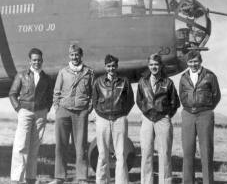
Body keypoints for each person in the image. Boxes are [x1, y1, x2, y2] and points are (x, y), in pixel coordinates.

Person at [49, 44, 94, 184]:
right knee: (61, 145)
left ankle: (81, 177)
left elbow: (92, 94)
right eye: (72, 55)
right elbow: (56, 92)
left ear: (81, 55)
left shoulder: (89, 72)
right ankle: (60, 177)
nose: (74, 57)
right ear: (69, 56)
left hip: (81, 112)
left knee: (80, 146)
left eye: (77, 54)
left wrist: (88, 109)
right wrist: (57, 107)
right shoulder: (63, 72)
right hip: (63, 111)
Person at [9, 48, 53, 184]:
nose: (37, 62)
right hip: (25, 112)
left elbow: (50, 97)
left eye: (39, 60)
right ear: (30, 61)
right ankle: (17, 179)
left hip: (40, 114)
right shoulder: (21, 75)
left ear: (42, 60)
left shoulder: (46, 78)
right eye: (34, 60)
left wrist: (46, 110)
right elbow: (12, 94)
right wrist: (19, 109)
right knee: (21, 145)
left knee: (34, 147)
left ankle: (30, 179)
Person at [136, 53, 180, 184]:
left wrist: (166, 115)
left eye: (156, 64)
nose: (154, 67)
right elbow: (139, 100)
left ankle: (165, 181)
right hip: (147, 119)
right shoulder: (142, 81)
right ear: (148, 66)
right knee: (146, 153)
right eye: (151, 64)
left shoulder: (168, 82)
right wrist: (146, 111)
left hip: (163, 119)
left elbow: (175, 102)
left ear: (161, 65)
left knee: (165, 153)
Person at [179, 50, 221, 184]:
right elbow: (181, 95)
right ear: (187, 63)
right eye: (190, 62)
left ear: (200, 61)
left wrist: (206, 108)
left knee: (206, 151)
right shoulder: (183, 77)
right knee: (188, 151)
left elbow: (216, 95)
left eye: (195, 61)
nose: (193, 64)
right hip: (187, 115)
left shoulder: (210, 75)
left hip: (205, 114)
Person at [92, 54, 134, 184]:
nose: (111, 68)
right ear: (105, 67)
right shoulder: (98, 82)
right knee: (102, 154)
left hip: (120, 119)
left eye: (113, 66)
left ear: (117, 66)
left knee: (121, 154)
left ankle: (121, 182)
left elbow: (130, 101)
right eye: (109, 66)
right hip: (103, 120)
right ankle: (102, 181)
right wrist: (101, 114)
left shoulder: (124, 81)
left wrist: (121, 113)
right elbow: (94, 101)